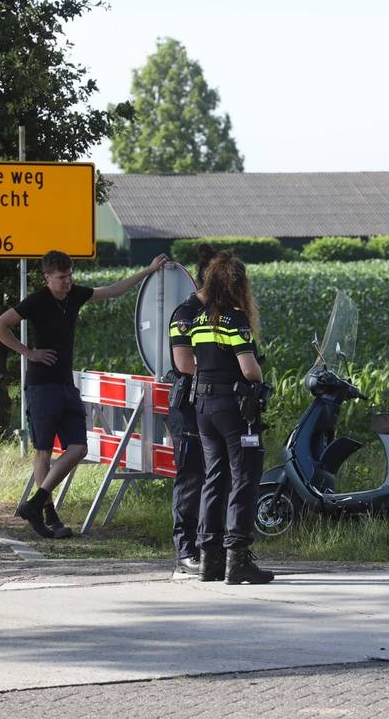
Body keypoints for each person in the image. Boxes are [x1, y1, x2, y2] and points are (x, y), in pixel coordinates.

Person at [0, 249, 167, 538]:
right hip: (41, 386)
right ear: (47, 277)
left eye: (70, 276)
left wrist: (147, 271)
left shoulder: (75, 295)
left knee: (78, 449)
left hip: (66, 385)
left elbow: (112, 290)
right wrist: (28, 353)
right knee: (43, 452)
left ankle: (34, 504)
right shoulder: (37, 301)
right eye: (61, 278)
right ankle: (48, 515)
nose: (67, 282)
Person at [182, 251, 274, 584]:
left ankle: (210, 559)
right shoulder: (235, 319)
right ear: (238, 284)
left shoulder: (198, 320)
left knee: (214, 478)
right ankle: (238, 558)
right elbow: (249, 369)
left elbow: (192, 362)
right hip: (233, 408)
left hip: (203, 408)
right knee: (245, 477)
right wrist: (261, 379)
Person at [165, 244, 216, 575]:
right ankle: (185, 548)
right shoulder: (185, 314)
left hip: (215, 404)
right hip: (188, 406)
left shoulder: (221, 313)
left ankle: (209, 543)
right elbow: (184, 363)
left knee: (216, 476)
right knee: (192, 476)